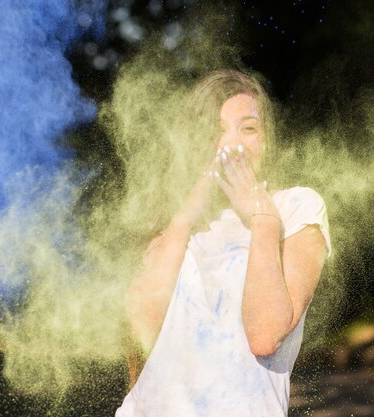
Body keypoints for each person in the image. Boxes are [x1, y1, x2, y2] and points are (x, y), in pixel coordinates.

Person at [116, 69, 331, 417]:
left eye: (248, 129)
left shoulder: (296, 208)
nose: (233, 144)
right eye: (216, 131)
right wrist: (186, 215)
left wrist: (262, 217)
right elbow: (142, 330)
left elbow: (265, 335)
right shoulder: (174, 225)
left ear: (267, 140)